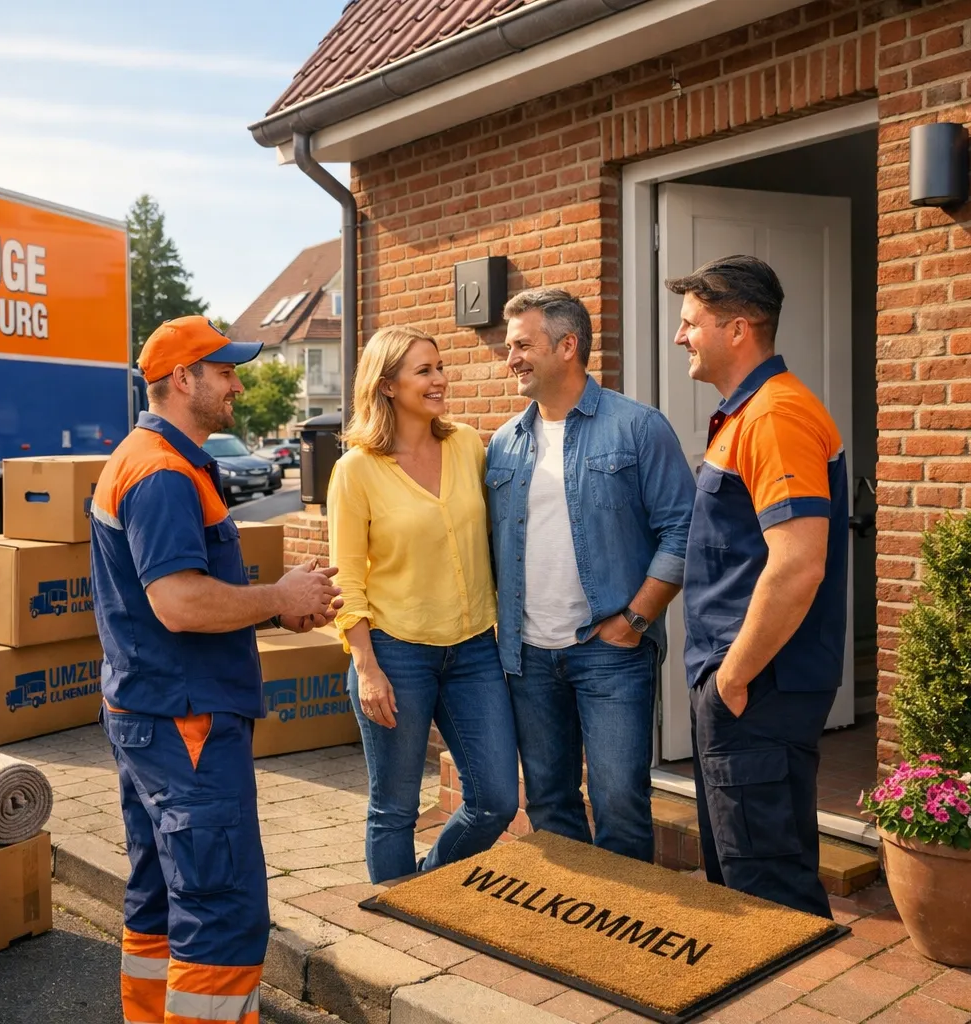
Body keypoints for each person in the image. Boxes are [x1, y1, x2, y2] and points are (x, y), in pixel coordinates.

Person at [89, 315, 342, 1024]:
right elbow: (177, 602)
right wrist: (277, 595)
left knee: (161, 899)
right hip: (185, 722)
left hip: (152, 712)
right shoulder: (163, 473)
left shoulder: (154, 458)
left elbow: (181, 597)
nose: (237, 384)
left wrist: (270, 609)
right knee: (222, 910)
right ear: (182, 379)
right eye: (225, 371)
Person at [486, 288, 695, 862]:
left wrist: (635, 619)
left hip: (611, 650)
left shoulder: (638, 428)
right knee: (551, 803)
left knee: (620, 801)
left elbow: (683, 531)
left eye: (522, 345)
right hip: (526, 656)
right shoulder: (504, 444)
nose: (511, 360)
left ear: (568, 345)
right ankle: (575, 932)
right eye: (509, 348)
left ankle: (625, 932)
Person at [670, 255, 848, 919]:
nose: (680, 337)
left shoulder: (775, 416)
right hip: (743, 685)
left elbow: (798, 563)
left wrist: (733, 679)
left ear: (737, 329)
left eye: (691, 323)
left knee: (767, 890)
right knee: (739, 877)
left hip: (758, 688)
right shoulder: (746, 414)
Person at [328, 324, 519, 885]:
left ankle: (428, 886)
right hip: (394, 652)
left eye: (439, 367)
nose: (439, 380)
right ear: (387, 385)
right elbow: (347, 580)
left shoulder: (466, 445)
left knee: (496, 800)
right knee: (395, 808)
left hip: (473, 649)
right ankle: (394, 924)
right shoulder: (356, 469)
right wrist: (366, 667)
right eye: (424, 371)